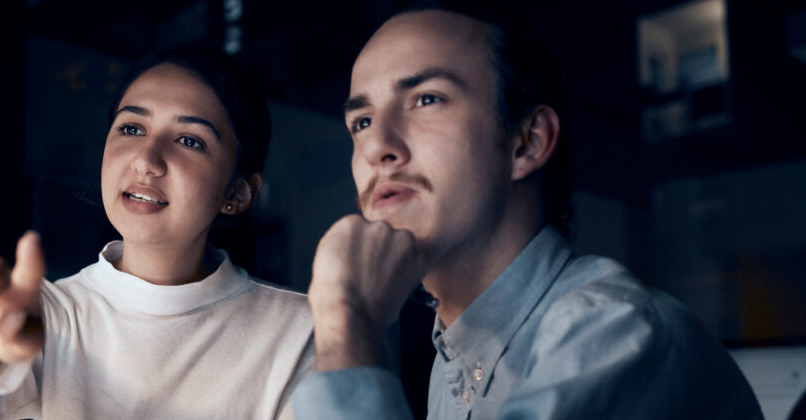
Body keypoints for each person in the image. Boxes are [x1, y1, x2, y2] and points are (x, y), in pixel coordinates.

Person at [291, 1, 763, 418]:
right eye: (362, 121)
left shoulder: (616, 333)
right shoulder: (456, 350)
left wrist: (347, 319)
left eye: (426, 99)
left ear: (527, 142)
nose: (376, 145)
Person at [0, 46, 314, 419]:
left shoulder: (300, 331)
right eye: (131, 129)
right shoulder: (43, 315)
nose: (147, 160)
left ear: (238, 193)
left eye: (189, 140)